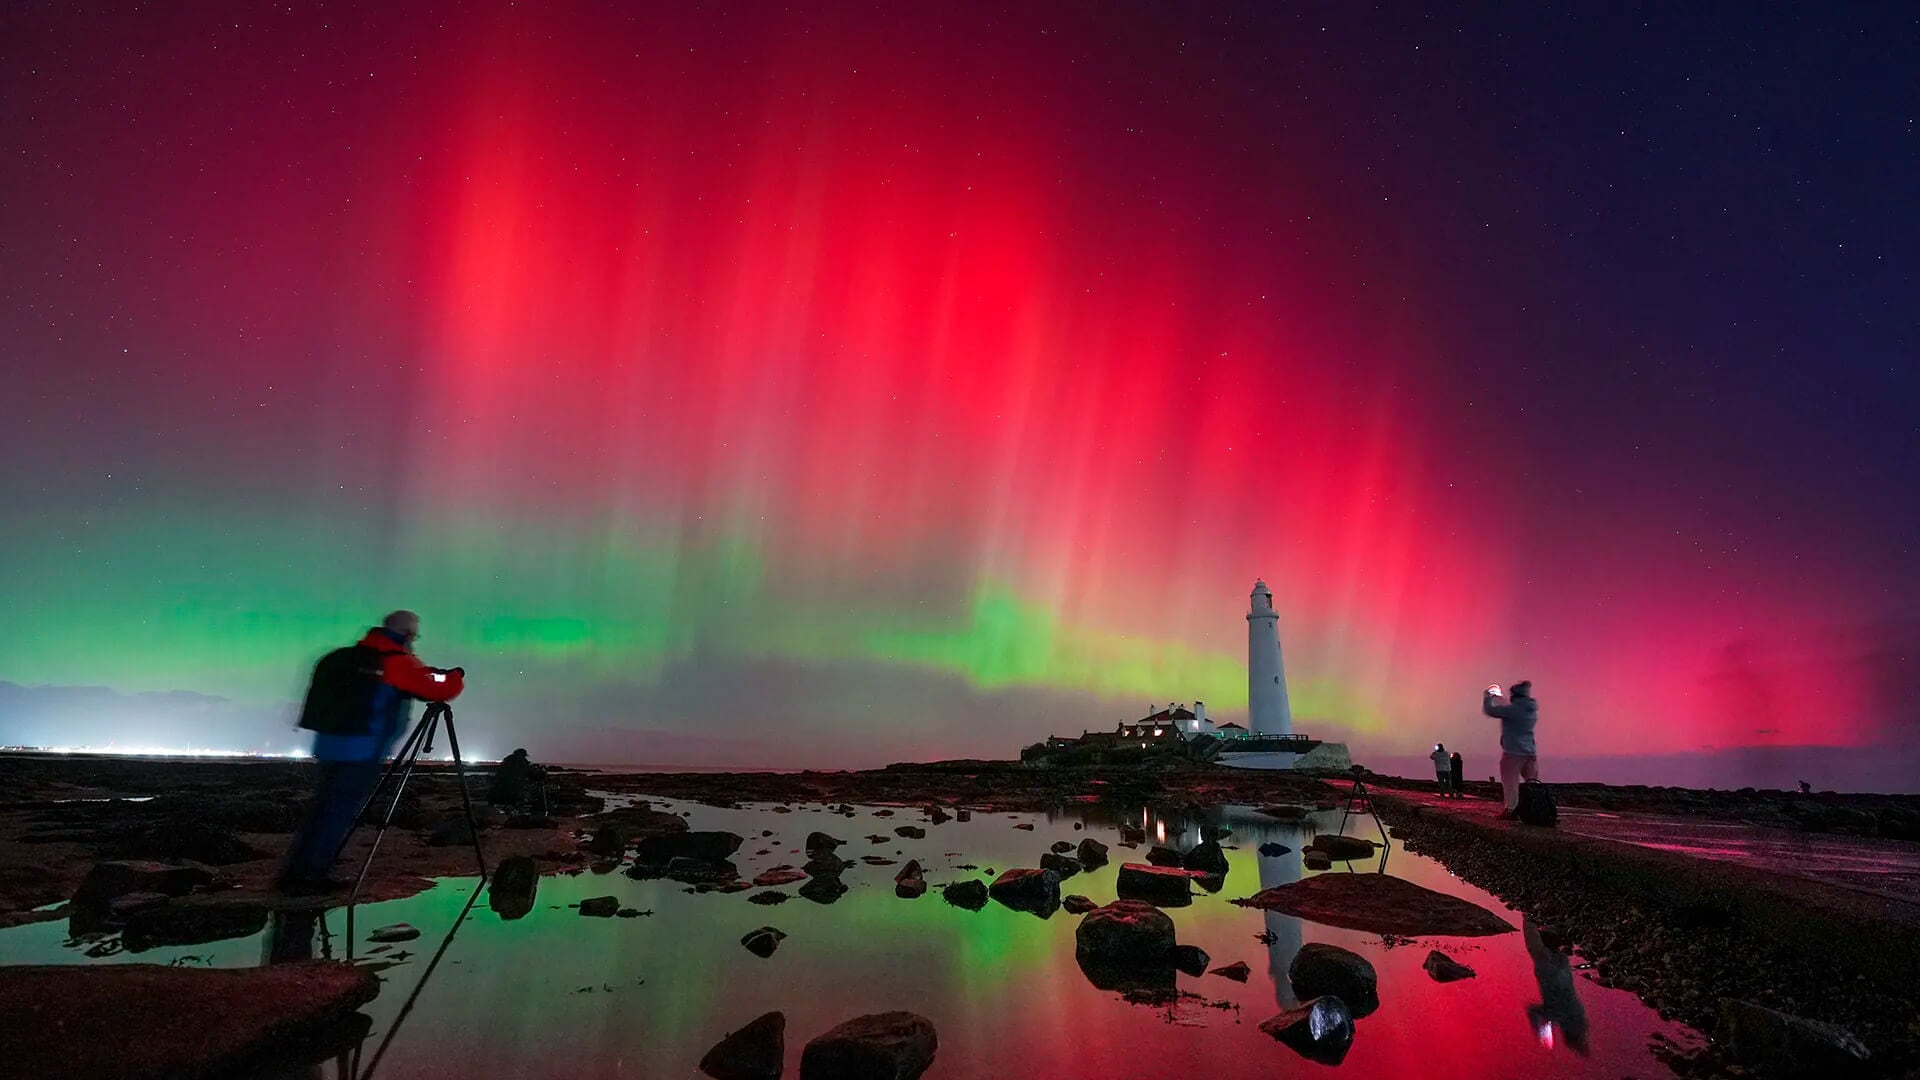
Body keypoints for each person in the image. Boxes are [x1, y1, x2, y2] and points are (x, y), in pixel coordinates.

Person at [280, 610, 465, 893]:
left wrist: (426, 672)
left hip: (328, 746)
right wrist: (455, 677)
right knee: (337, 812)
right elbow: (435, 692)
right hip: (363, 748)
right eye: (414, 634)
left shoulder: (345, 658)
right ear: (407, 634)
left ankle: (298, 870)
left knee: (322, 809)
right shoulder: (397, 662)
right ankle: (309, 876)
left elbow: (407, 679)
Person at [1483, 680, 1539, 820]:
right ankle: (1535, 807)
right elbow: (1510, 708)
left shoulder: (1513, 710)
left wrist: (1488, 697)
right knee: (1532, 782)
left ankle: (1511, 810)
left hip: (1514, 751)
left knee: (1510, 781)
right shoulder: (1530, 709)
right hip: (1530, 751)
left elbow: (1490, 710)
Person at [489, 747, 546, 813]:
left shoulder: (506, 761)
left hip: (498, 791)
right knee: (528, 795)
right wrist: (542, 772)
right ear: (522, 755)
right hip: (513, 791)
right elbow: (535, 775)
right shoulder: (523, 763)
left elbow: (497, 775)